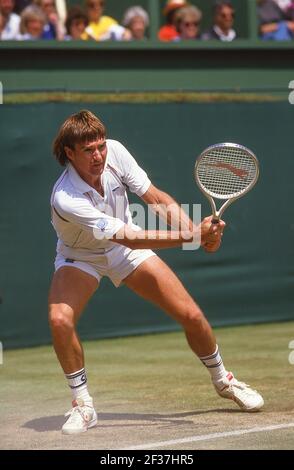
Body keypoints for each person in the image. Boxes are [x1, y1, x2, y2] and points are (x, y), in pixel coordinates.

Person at [49, 110, 264, 435]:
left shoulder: (116, 153)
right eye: (88, 150)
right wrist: (192, 237)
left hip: (122, 252)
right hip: (81, 257)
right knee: (59, 320)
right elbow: (128, 237)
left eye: (101, 146)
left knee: (192, 315)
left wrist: (196, 233)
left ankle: (224, 381)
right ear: (69, 152)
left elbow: (155, 199)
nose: (98, 155)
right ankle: (83, 405)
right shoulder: (65, 196)